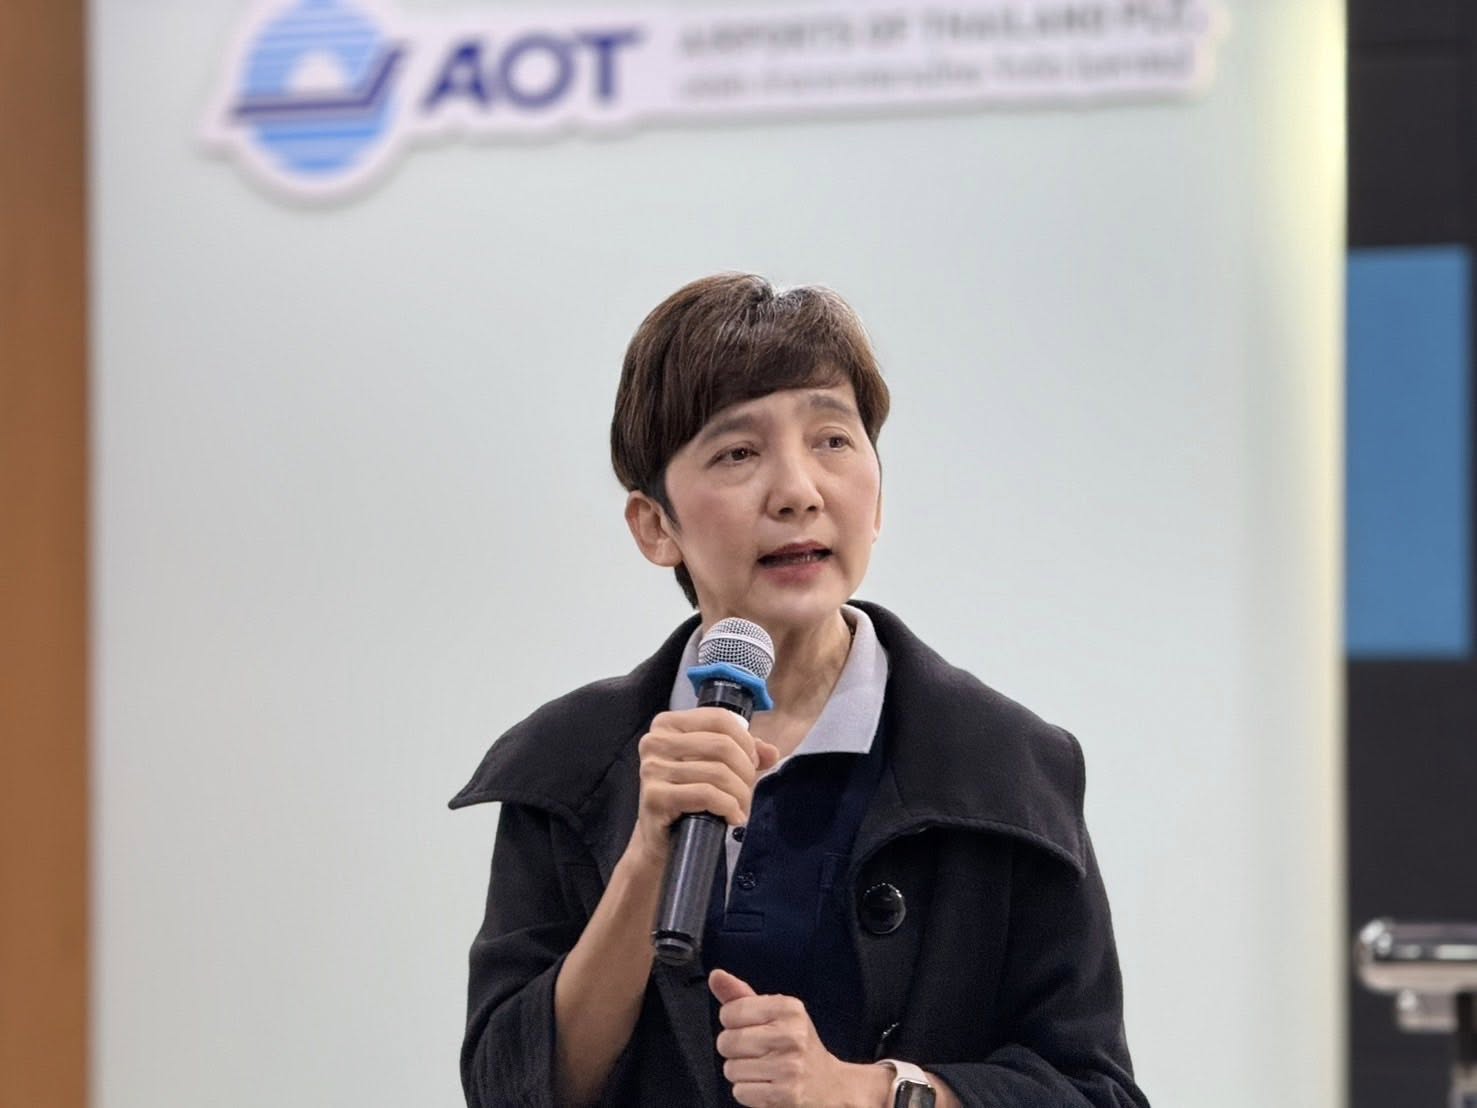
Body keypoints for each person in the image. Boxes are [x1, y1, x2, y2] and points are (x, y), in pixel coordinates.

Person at [450, 273, 1149, 1108]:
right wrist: (645, 859)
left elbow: (1094, 1092)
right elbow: (510, 1090)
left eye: (831, 440)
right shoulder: (566, 763)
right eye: (737, 453)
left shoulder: (1006, 767)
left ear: (876, 495)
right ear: (655, 526)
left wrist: (870, 1093)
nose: (797, 492)